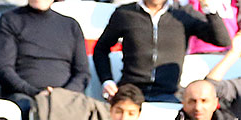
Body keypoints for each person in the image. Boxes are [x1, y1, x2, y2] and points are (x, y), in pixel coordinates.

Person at [0, 0, 90, 120]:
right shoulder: (9, 20)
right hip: (25, 95)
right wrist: (36, 93)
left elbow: (82, 73)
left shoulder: (71, 25)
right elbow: (4, 70)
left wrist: (60, 96)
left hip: (66, 97)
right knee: (27, 108)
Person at [93, 0, 231, 103]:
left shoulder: (183, 14)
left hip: (170, 93)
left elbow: (222, 40)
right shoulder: (125, 13)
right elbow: (101, 48)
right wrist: (107, 81)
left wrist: (208, 8)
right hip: (131, 92)